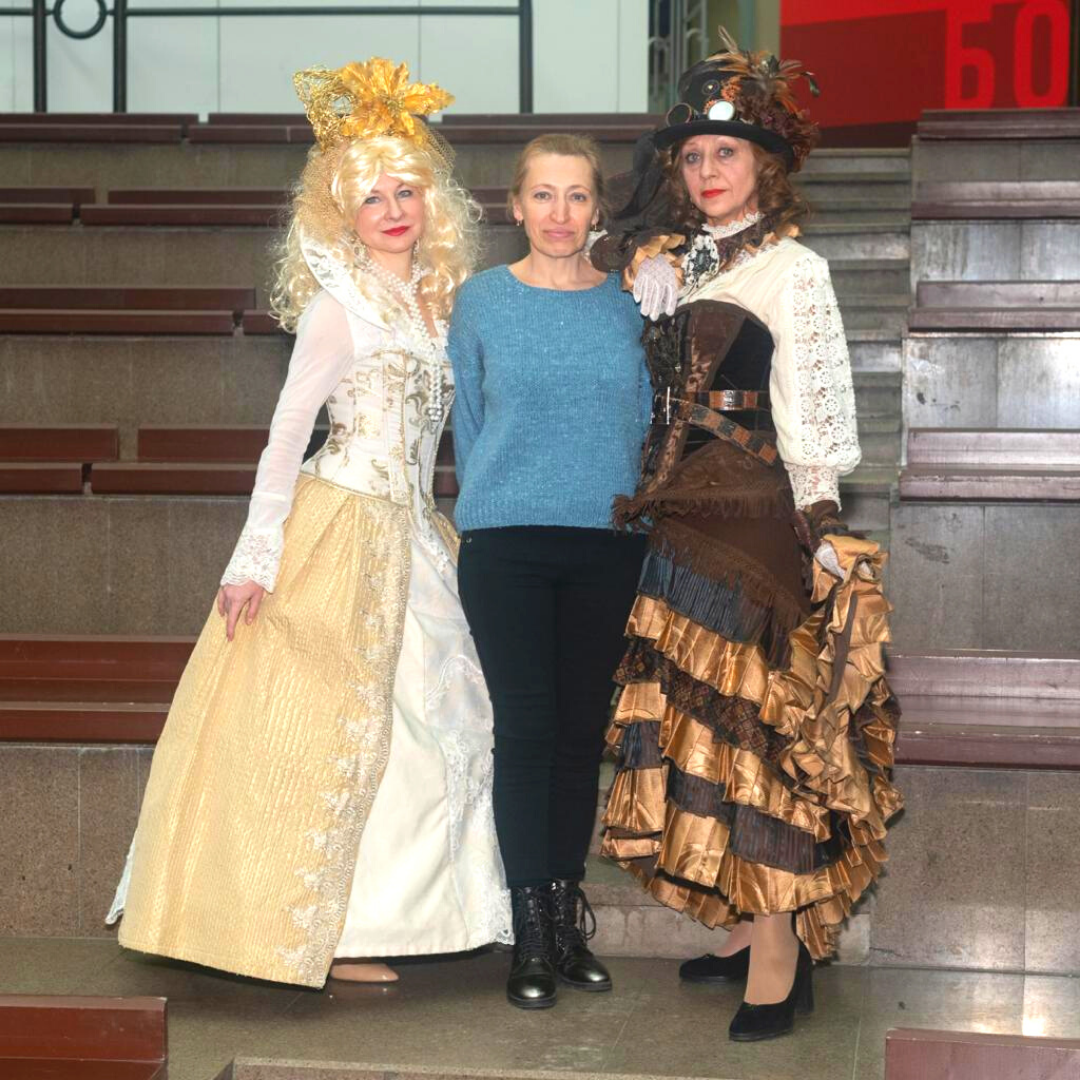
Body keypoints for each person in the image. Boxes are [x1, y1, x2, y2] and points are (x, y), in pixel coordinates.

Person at [106, 58, 511, 988]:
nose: (393, 210)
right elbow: (287, 436)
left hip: (417, 533)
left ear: (432, 201)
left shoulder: (444, 304)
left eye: (405, 190)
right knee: (333, 728)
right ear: (342, 214)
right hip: (341, 528)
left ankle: (401, 918)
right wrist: (255, 557)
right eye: (372, 197)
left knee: (432, 725)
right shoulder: (339, 308)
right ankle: (323, 932)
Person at [591, 31, 903, 1041]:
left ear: (765, 164)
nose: (708, 170)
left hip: (756, 520)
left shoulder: (794, 270)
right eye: (692, 156)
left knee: (757, 735)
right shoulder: (681, 260)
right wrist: (636, 255)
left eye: (726, 153)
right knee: (701, 726)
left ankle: (779, 951)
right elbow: (593, 245)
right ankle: (741, 923)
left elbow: (810, 408)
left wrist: (822, 524)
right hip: (678, 518)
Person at [448, 133, 652, 1010]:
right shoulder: (481, 300)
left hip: (607, 543)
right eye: (543, 195)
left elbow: (647, 422)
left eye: (576, 196)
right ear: (515, 205)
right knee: (527, 732)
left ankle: (567, 926)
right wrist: (490, 506)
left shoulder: (633, 304)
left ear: (598, 207)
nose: (559, 213)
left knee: (578, 735)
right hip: (507, 544)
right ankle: (529, 932)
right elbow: (468, 421)